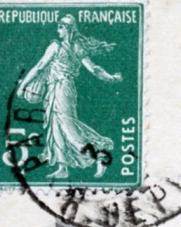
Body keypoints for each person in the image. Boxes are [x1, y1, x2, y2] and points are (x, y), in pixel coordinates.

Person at [17, 15, 122, 180]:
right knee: (56, 125)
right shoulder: (78, 47)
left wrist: (23, 85)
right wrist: (111, 78)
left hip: (61, 88)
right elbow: (94, 69)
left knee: (66, 125)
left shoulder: (56, 46)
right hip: (58, 88)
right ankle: (62, 166)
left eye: (61, 27)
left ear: (68, 29)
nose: (58, 30)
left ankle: (98, 155)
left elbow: (39, 67)